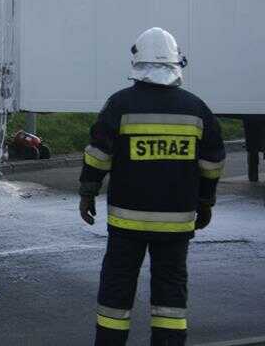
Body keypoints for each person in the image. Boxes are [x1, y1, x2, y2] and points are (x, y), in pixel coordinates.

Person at [79, 27, 225, 346]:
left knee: (116, 294)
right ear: (176, 64)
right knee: (170, 296)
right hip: (176, 224)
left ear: (137, 62)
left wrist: (87, 191)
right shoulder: (196, 109)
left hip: (126, 223)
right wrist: (205, 201)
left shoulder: (119, 105)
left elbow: (99, 154)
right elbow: (213, 161)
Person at [241, 115, 265, 182]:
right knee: (252, 150)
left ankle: (253, 178)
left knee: (252, 150)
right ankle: (253, 178)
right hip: (252, 121)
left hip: (250, 120)